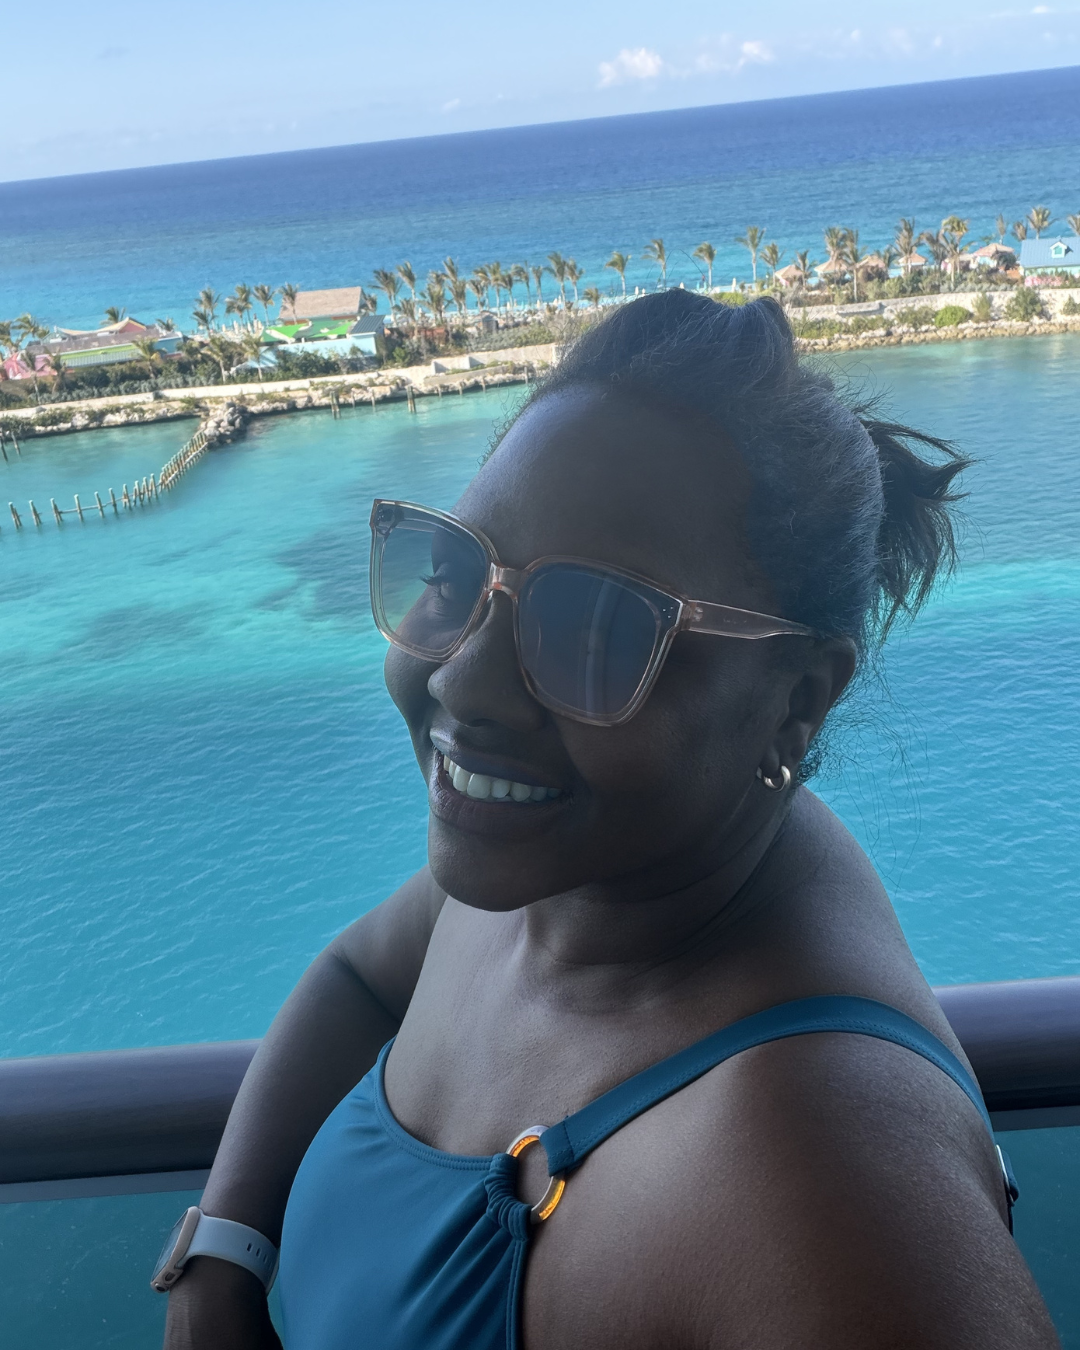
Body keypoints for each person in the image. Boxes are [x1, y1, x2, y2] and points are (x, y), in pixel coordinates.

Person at [164, 292, 1059, 1349]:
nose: (468, 683)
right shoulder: (559, 882)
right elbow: (357, 977)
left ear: (797, 698)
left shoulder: (823, 1185)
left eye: (596, 624)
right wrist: (221, 1260)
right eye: (454, 572)